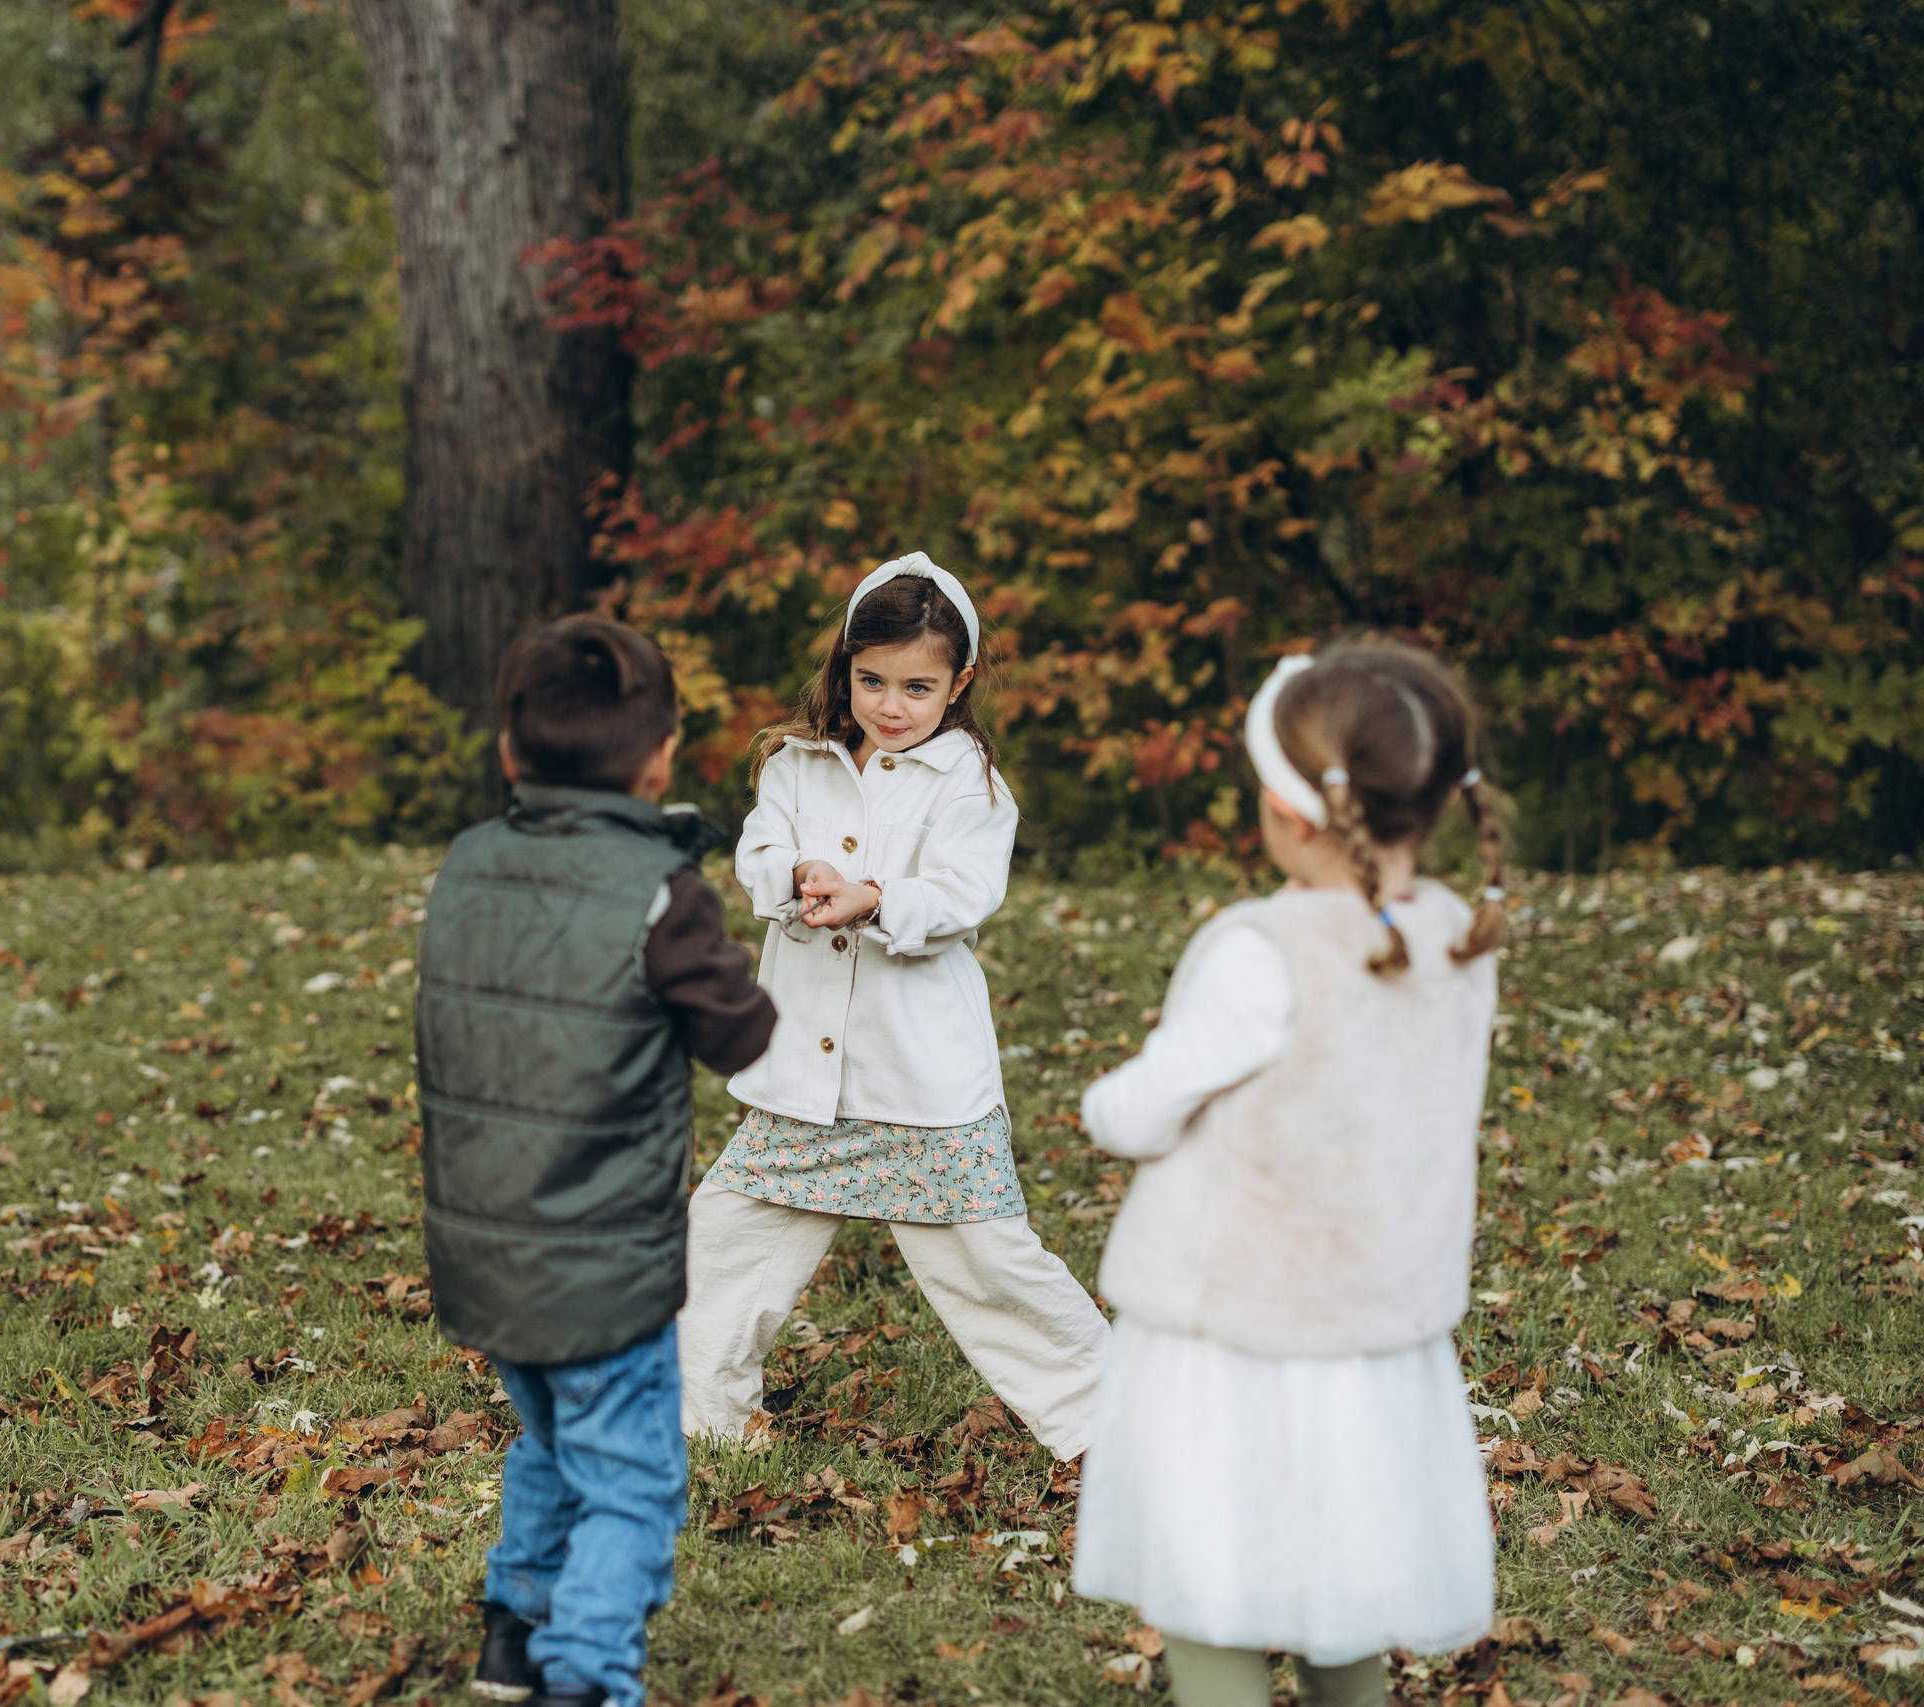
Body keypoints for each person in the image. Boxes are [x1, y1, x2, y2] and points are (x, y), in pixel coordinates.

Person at [1071, 641, 1509, 1707]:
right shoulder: (1459, 936)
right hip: (1374, 1332)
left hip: (1233, 1334)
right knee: (1340, 1575)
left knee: (1208, 1575)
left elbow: (1138, 1112)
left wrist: (1104, 1101)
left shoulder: (1261, 950)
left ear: (1286, 810)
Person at [677, 552, 1110, 1460]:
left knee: (990, 1265)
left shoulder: (968, 782)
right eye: (872, 680)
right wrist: (797, 873)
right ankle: (702, 1411)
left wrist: (874, 897)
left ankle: (1118, 1420)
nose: (891, 705)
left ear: (959, 684)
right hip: (805, 1079)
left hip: (922, 1082)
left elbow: (963, 893)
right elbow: (759, 852)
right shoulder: (798, 764)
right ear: (846, 667)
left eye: (918, 687)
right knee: (727, 1237)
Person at [417, 615, 777, 1707]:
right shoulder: (661, 894)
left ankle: (514, 1634)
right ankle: (584, 1676)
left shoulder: (466, 865)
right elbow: (742, 1035)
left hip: (484, 1249)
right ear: (661, 758)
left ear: (508, 752)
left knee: (552, 1438)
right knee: (630, 1482)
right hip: (602, 1264)